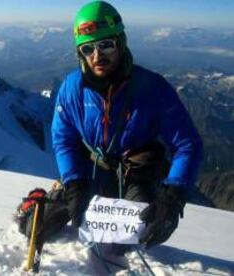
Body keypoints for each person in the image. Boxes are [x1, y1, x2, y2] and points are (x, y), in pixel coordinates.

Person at [15, 1, 202, 250]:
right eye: (87, 48)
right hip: (88, 170)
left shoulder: (153, 88)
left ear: (121, 43)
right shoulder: (73, 88)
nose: (97, 55)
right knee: (36, 228)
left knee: (140, 234)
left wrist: (174, 196)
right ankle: (35, 202)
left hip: (136, 174)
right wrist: (73, 181)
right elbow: (64, 138)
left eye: (106, 45)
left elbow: (187, 143)